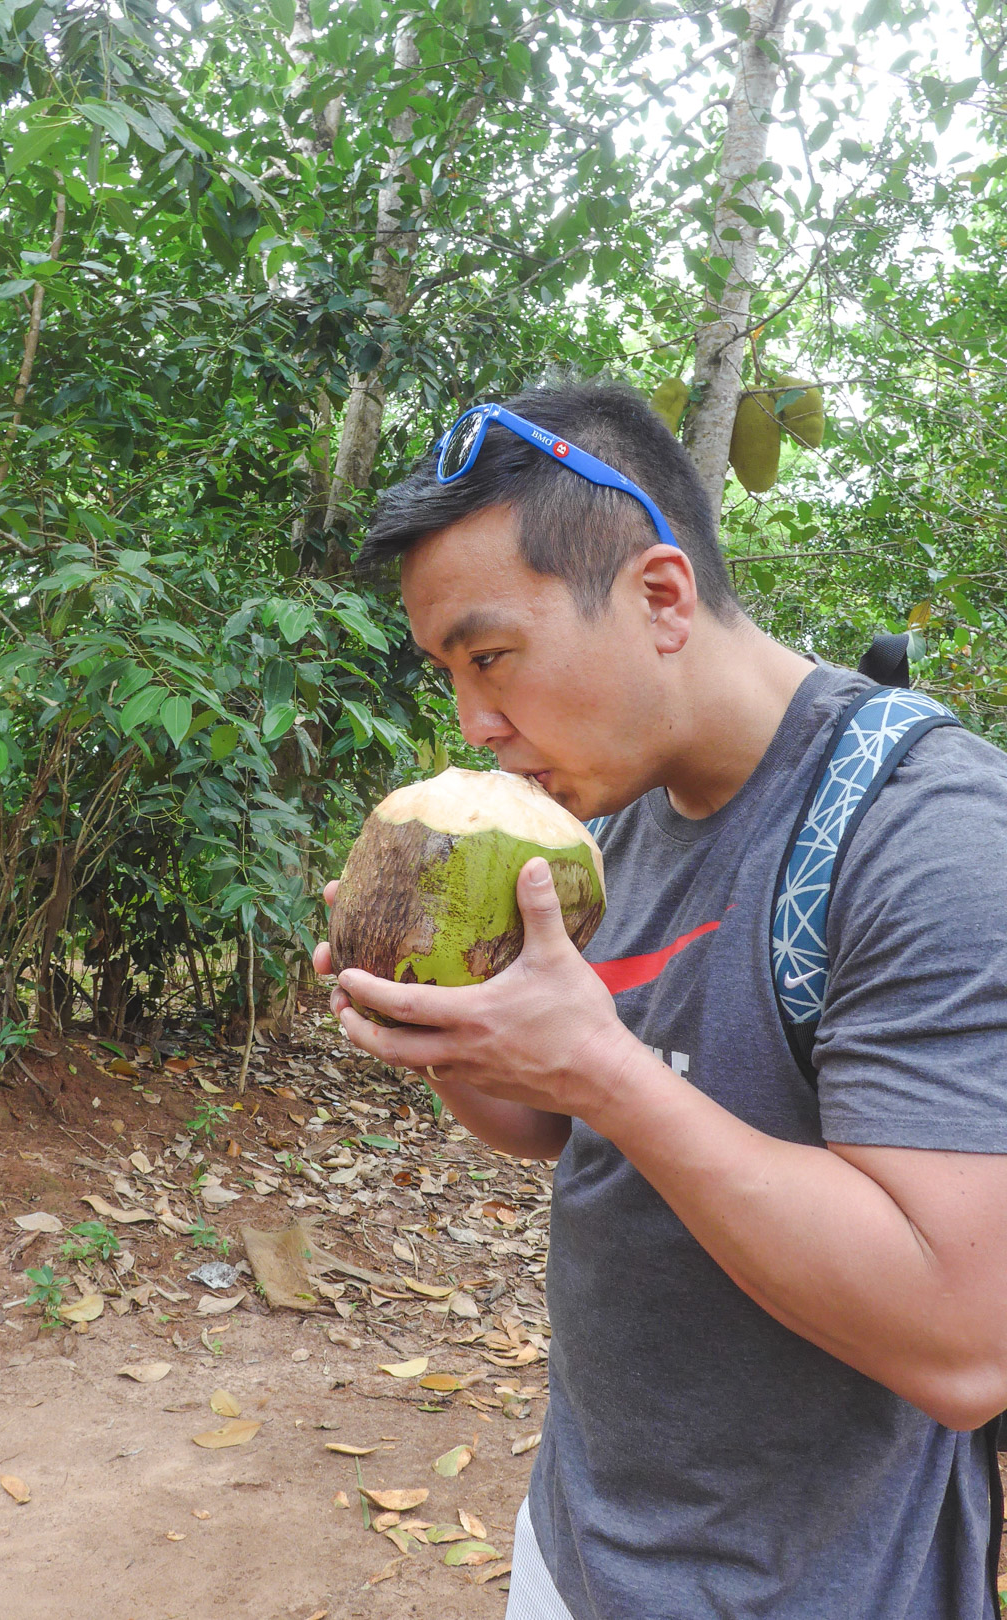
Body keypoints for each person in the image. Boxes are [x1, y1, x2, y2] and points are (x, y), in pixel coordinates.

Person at [311, 377, 1007, 1620]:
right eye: (449, 673)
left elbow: (965, 1344)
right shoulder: (600, 809)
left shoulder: (933, 840)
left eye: (492, 657)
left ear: (661, 596)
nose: (475, 722)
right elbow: (558, 1130)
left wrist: (602, 1073)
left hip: (810, 1587)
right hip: (580, 1539)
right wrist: (454, 1040)